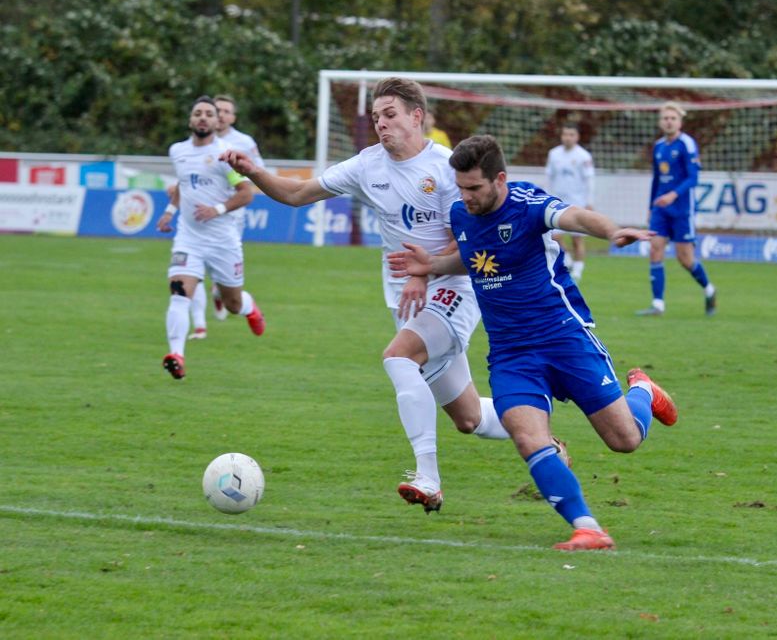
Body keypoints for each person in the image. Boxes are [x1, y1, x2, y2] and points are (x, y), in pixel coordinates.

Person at [221, 77, 567, 513]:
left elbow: (471, 242)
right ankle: (546, 441)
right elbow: (295, 193)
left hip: (454, 288)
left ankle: (429, 479)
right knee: (468, 419)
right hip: (407, 300)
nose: (381, 125)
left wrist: (425, 270)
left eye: (390, 115)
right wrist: (254, 171)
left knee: (398, 357)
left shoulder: (446, 168)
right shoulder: (367, 166)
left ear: (416, 116)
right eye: (375, 118)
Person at [387, 135, 678, 551]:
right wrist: (432, 265)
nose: (465, 197)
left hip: (563, 336)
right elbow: (473, 257)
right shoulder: (461, 213)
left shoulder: (528, 204)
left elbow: (575, 216)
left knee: (624, 440)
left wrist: (612, 231)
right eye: (461, 186)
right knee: (527, 437)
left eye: (474, 188)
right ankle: (588, 527)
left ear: (499, 179)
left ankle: (644, 392)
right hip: (510, 353)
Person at [156, 96, 265, 380]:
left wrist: (216, 209)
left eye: (208, 114)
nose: (202, 117)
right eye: (197, 113)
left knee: (231, 303)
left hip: (222, 241)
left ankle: (249, 308)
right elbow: (184, 184)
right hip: (188, 239)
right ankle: (176, 355)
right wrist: (169, 211)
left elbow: (245, 193)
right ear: (190, 120)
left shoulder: (225, 155)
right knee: (179, 294)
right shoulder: (177, 151)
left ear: (218, 122)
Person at [183, 94, 265, 339]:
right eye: (218, 110)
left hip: (230, 217)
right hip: (195, 221)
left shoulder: (242, 141)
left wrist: (234, 181)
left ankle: (223, 294)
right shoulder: (193, 144)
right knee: (192, 271)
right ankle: (199, 327)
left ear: (232, 116)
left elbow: (257, 171)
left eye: (227, 111)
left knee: (223, 279)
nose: (222, 114)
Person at [637, 101, 716, 316]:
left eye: (673, 118)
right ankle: (658, 304)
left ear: (679, 122)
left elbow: (693, 178)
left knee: (685, 258)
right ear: (660, 121)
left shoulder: (687, 144)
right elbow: (657, 179)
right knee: (655, 249)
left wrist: (673, 195)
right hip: (661, 210)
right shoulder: (659, 146)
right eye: (665, 118)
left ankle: (709, 289)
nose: (669, 122)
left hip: (682, 209)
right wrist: (651, 206)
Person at [545, 122, 595, 281]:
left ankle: (578, 269)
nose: (567, 138)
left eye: (571, 135)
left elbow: (589, 180)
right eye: (565, 134)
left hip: (577, 202)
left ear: (577, 137)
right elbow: (549, 178)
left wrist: (589, 201)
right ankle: (569, 260)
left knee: (577, 239)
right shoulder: (554, 154)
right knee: (555, 237)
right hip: (558, 202)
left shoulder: (583, 156)